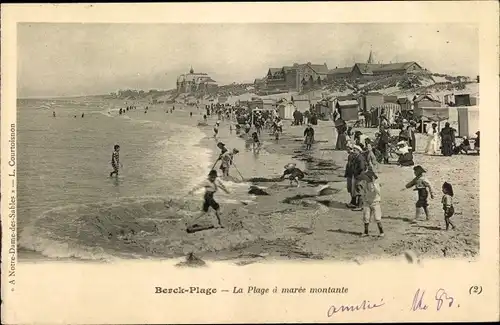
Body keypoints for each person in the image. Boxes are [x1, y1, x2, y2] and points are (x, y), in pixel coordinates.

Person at [359, 170, 384, 237]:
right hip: (367, 203)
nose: (365, 179)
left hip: (375, 203)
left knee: (377, 218)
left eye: (366, 177)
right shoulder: (364, 183)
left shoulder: (376, 184)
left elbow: (378, 192)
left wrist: (373, 183)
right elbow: (363, 193)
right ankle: (366, 232)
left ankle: (381, 232)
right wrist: (364, 200)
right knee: (366, 217)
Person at [347, 145, 367, 211]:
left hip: (359, 176)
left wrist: (355, 171)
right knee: (356, 189)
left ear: (358, 151)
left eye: (355, 150)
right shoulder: (357, 157)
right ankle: (357, 204)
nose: (354, 151)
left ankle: (360, 206)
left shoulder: (360, 158)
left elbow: (361, 167)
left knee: (359, 189)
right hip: (358, 175)